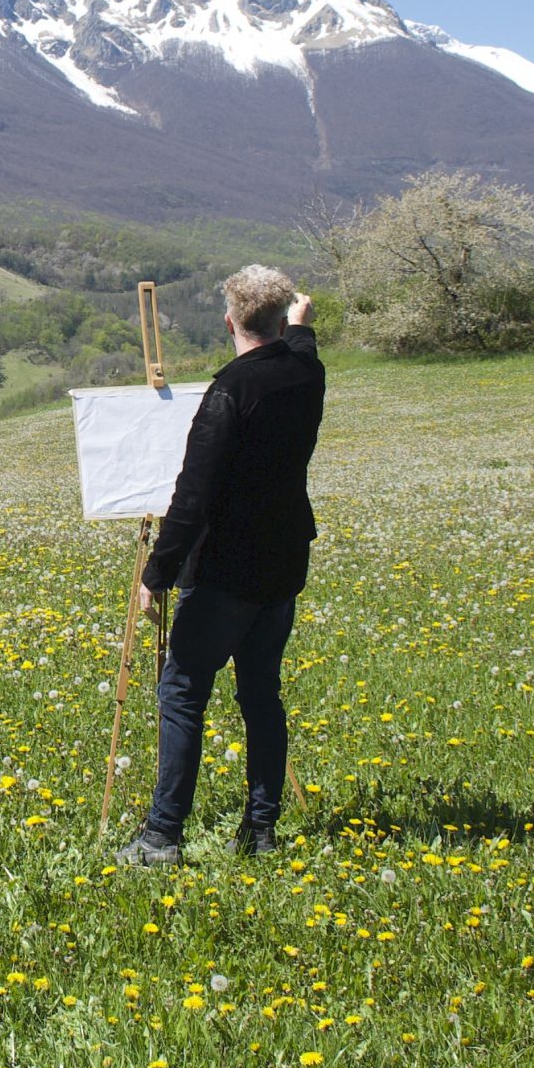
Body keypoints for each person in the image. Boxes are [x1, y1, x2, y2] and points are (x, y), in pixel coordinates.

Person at [116, 265, 324, 867]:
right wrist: (300, 325)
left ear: (229, 320)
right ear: (282, 321)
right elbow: (303, 343)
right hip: (283, 564)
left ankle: (161, 837)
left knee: (182, 693)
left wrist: (155, 574)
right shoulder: (305, 372)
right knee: (262, 695)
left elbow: (192, 496)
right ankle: (260, 832)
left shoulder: (229, 391)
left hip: (224, 572)